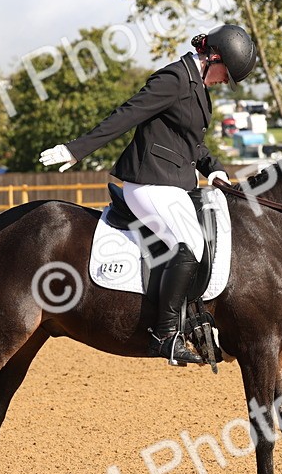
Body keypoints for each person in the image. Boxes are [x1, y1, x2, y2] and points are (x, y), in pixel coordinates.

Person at [39, 24, 257, 366]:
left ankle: (190, 319)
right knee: (191, 244)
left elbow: (191, 144)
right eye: (225, 75)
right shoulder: (173, 78)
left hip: (174, 183)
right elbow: (126, 115)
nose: (222, 82)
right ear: (214, 58)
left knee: (203, 238)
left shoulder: (196, 86)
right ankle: (165, 335)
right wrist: (75, 149)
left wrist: (212, 167)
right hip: (148, 181)